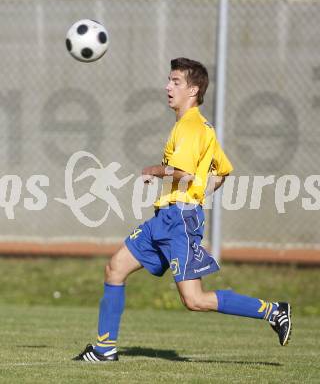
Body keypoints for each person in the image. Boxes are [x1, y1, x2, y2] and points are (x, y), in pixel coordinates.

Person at [73, 58, 291, 362]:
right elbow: (223, 171)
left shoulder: (190, 126)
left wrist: (156, 171)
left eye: (176, 81)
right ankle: (104, 348)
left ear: (194, 89)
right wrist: (198, 192)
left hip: (178, 221)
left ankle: (273, 310)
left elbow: (180, 169)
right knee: (115, 268)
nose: (167, 87)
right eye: (169, 80)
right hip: (164, 218)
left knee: (195, 300)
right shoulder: (199, 126)